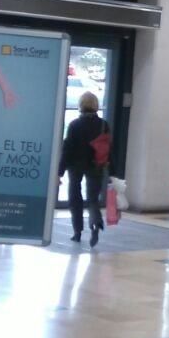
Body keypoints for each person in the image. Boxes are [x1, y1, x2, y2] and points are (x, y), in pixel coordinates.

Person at [61, 91, 109, 246]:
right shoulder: (103, 124)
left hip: (75, 166)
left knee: (75, 198)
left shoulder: (75, 125)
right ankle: (95, 224)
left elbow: (67, 149)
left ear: (80, 105)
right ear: (96, 105)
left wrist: (59, 171)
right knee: (93, 199)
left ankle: (77, 232)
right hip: (96, 165)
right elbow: (109, 147)